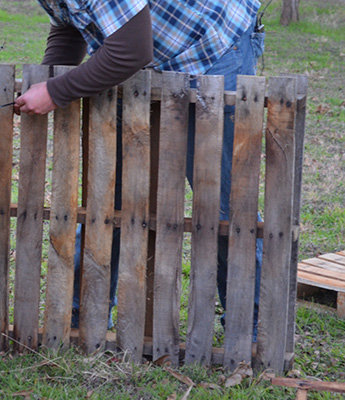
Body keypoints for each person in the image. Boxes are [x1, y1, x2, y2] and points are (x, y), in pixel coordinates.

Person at [15, 0, 265, 335]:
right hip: (147, 52)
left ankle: (250, 331)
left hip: (212, 43)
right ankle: (82, 320)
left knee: (224, 202)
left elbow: (131, 51)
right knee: (109, 195)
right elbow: (70, 22)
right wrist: (48, 78)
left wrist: (56, 91)